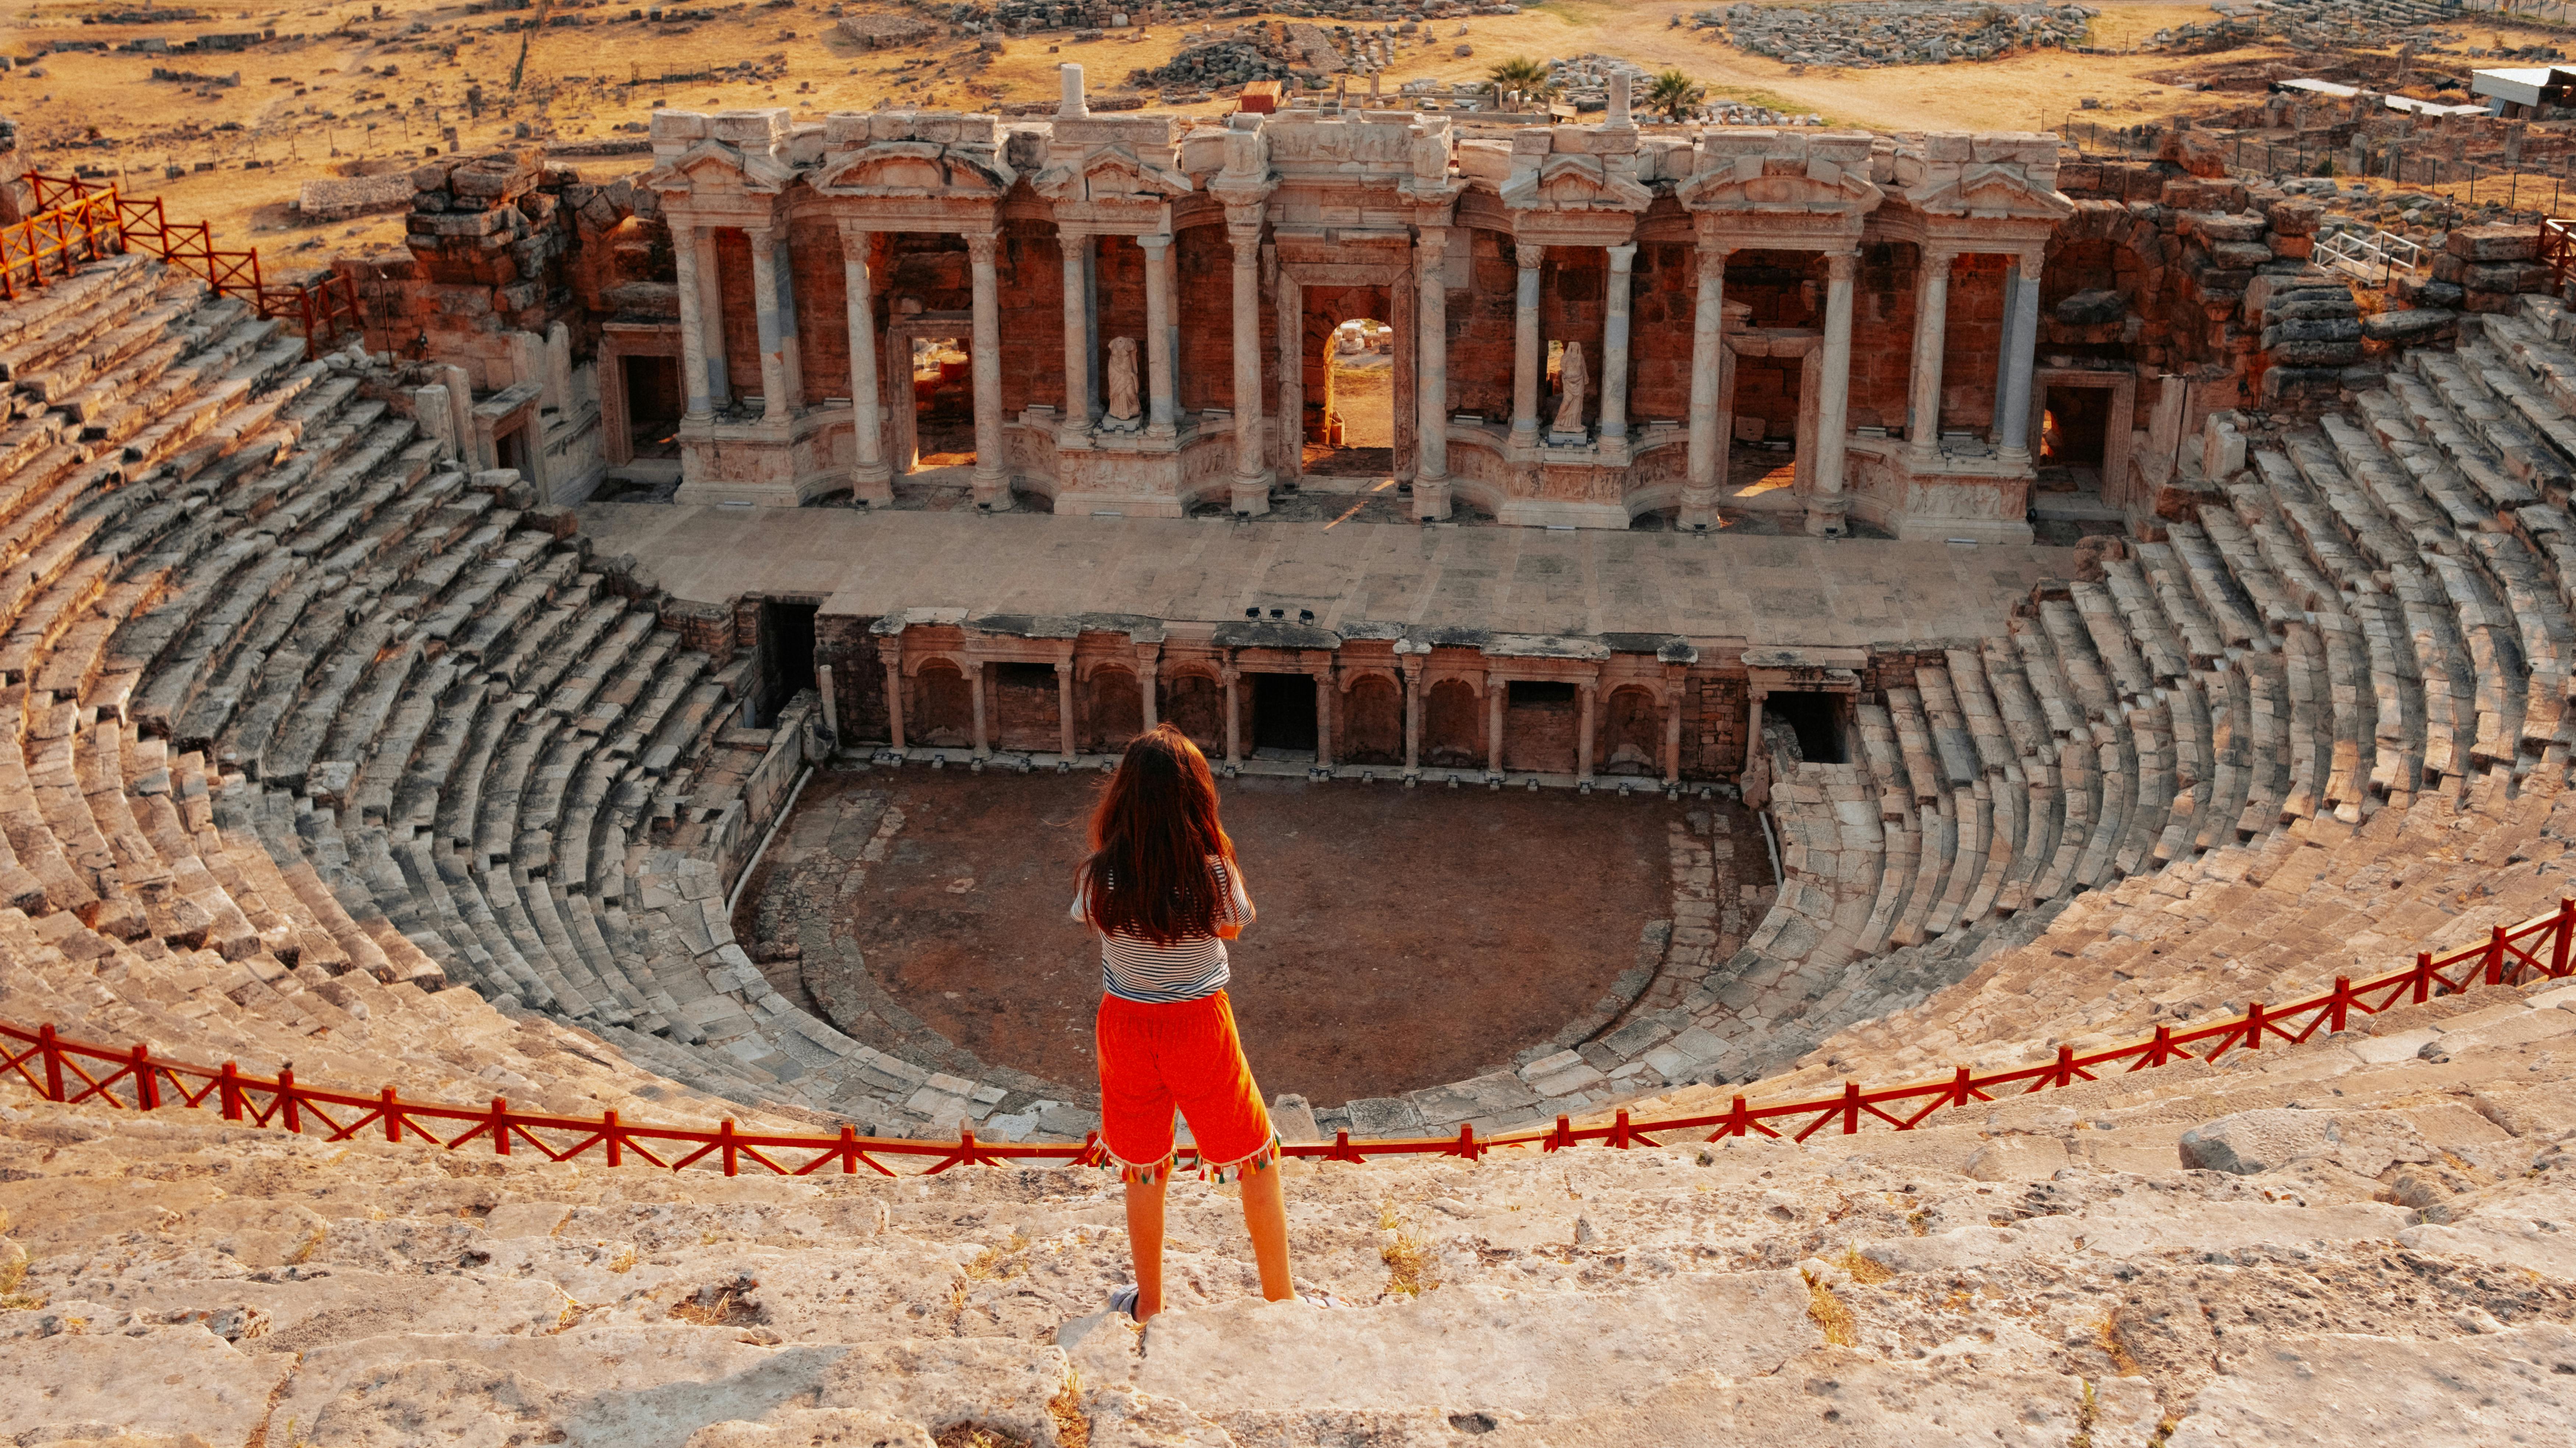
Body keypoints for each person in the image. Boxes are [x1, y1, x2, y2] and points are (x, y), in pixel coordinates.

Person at [1072, 722, 1300, 1323]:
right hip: (1197, 1023)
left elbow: (1094, 922)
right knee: (1256, 1154)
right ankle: (1281, 1299)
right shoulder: (1213, 871)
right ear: (1197, 799)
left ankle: (1149, 1304)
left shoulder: (1101, 874)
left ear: (1122, 798)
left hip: (1125, 1025)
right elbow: (1232, 927)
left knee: (1144, 1168)